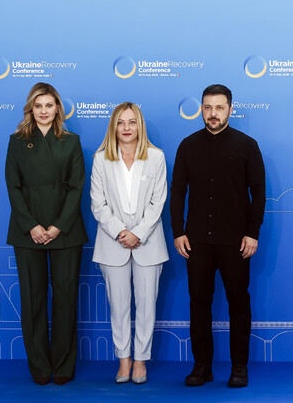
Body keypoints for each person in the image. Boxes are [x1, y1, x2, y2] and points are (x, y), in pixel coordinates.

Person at [170, 84, 266, 388]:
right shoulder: (188, 146)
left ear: (230, 110)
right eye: (208, 107)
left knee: (239, 302)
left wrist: (252, 233)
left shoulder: (247, 146)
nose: (213, 113)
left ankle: (239, 367)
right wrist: (178, 232)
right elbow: (177, 192)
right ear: (201, 109)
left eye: (219, 108)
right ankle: (202, 366)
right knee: (199, 303)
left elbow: (259, 193)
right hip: (196, 241)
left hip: (236, 241)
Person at [5, 82, 87, 386]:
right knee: (33, 299)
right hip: (27, 231)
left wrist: (57, 226)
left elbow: (77, 186)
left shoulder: (71, 141)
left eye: (49, 105)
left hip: (65, 230)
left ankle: (64, 364)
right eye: (38, 106)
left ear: (57, 109)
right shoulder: (17, 141)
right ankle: (39, 365)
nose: (43, 111)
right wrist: (32, 225)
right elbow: (12, 186)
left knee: (66, 299)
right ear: (30, 109)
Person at [91, 102, 169, 384]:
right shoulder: (101, 159)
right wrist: (121, 232)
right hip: (113, 245)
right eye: (121, 122)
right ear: (113, 126)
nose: (126, 128)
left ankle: (140, 361)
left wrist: (139, 233)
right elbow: (98, 204)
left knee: (147, 307)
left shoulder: (156, 157)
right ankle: (123, 360)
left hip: (149, 244)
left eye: (132, 122)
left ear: (140, 126)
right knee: (119, 307)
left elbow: (158, 201)